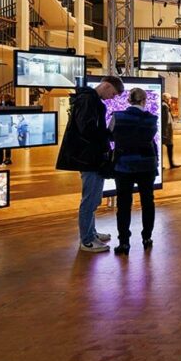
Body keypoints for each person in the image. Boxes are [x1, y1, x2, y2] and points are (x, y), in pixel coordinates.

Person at [56, 75, 125, 252]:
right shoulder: (88, 101)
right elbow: (87, 130)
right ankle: (86, 240)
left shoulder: (90, 100)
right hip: (89, 158)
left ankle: (91, 232)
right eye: (114, 93)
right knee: (90, 200)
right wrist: (106, 134)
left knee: (93, 198)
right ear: (107, 86)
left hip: (91, 157)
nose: (113, 98)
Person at [108, 88, 158, 256]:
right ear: (144, 101)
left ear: (128, 101)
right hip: (147, 165)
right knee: (148, 202)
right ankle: (147, 238)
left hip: (124, 165)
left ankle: (124, 242)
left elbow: (110, 136)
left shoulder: (118, 116)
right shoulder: (152, 119)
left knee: (123, 204)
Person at [161, 93, 181, 169]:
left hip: (167, 130)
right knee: (170, 146)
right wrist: (165, 132)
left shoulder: (165, 105)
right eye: (170, 99)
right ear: (166, 99)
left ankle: (169, 164)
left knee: (169, 146)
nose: (171, 100)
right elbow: (165, 120)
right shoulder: (164, 106)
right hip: (166, 131)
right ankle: (171, 164)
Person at [0, 94, 15, 164]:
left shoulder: (11, 104)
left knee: (6, 142)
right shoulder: (2, 104)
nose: (4, 98)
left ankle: (6, 158)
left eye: (5, 97)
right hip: (5, 123)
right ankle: (5, 158)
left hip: (6, 123)